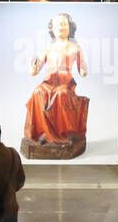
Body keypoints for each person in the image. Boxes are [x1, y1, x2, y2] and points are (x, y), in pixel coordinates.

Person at [23, 13, 89, 158]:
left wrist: (84, 70)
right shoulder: (48, 48)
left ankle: (60, 135)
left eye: (64, 24)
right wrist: (33, 66)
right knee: (37, 92)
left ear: (70, 28)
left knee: (61, 94)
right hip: (49, 81)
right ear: (52, 28)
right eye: (58, 24)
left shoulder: (75, 47)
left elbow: (83, 69)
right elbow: (35, 70)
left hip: (65, 83)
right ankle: (41, 132)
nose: (61, 27)